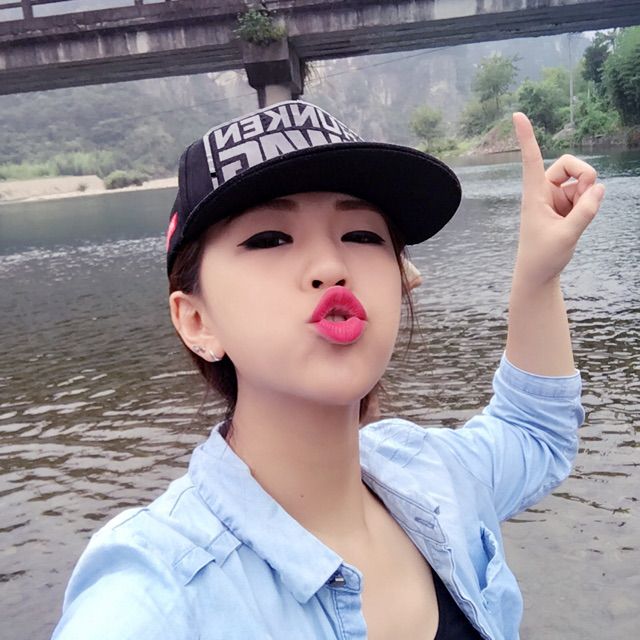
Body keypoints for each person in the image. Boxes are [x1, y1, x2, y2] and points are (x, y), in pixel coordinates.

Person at [52, 100, 604, 640]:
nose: (331, 266)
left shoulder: (429, 473)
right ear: (196, 320)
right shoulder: (159, 594)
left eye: (362, 235)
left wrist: (538, 274)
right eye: (269, 238)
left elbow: (533, 431)